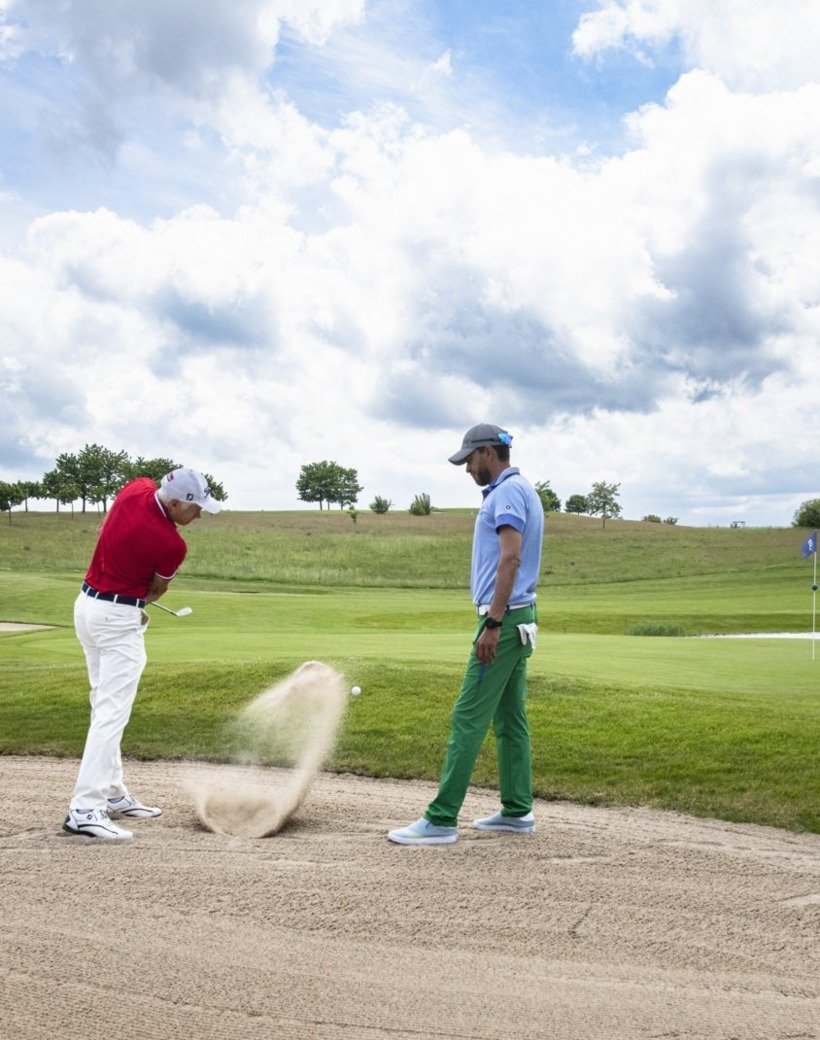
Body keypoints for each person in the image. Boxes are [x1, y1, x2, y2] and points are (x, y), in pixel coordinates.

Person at [388, 424, 544, 845]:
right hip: (521, 615)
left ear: (489, 453)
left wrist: (492, 623)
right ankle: (517, 810)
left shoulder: (506, 493)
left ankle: (440, 819)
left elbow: (510, 558)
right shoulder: (522, 489)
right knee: (510, 718)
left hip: (503, 619)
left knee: (467, 716)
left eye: (470, 460)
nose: (467, 468)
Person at [63, 467, 221, 841]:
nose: (199, 516)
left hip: (86, 608)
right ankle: (85, 808)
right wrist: (133, 605)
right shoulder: (172, 544)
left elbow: (115, 521)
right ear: (178, 502)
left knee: (103, 704)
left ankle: (112, 793)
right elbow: (156, 590)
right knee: (111, 714)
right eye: (196, 508)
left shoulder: (136, 489)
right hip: (117, 621)